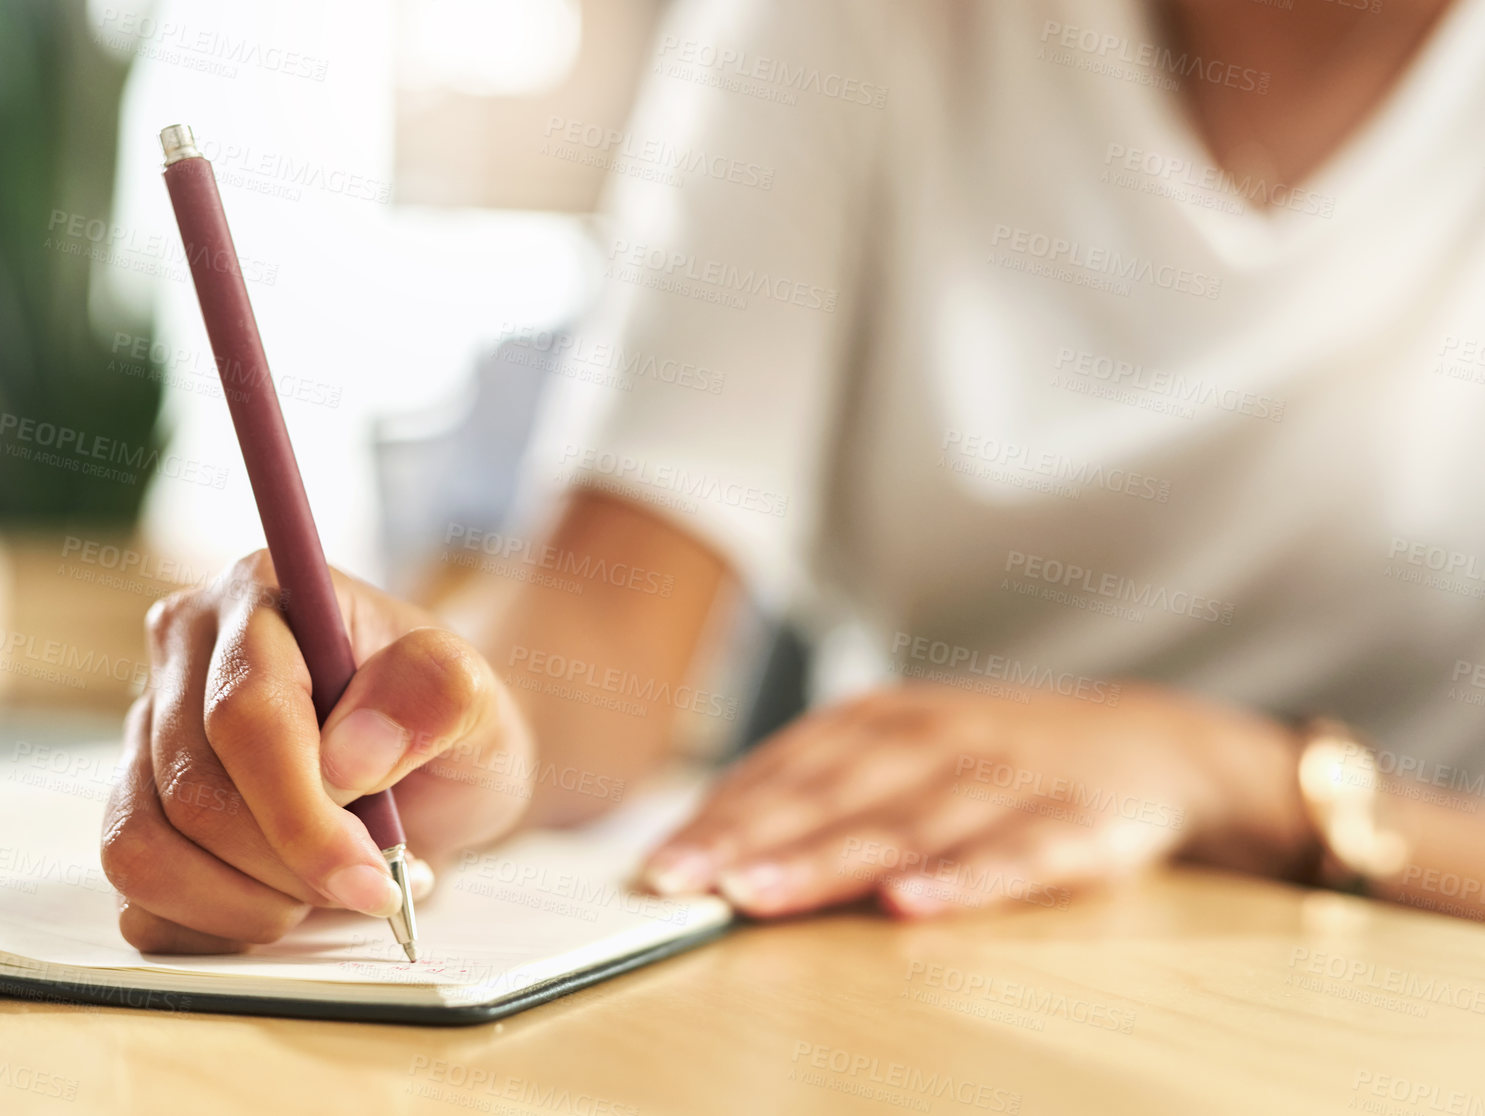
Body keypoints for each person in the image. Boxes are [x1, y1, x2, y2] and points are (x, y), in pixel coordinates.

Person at [99, 0, 1485, 951]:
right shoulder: (840, 29)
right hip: (908, 961)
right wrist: (444, 724)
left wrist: (1231, 775)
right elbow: (603, 629)